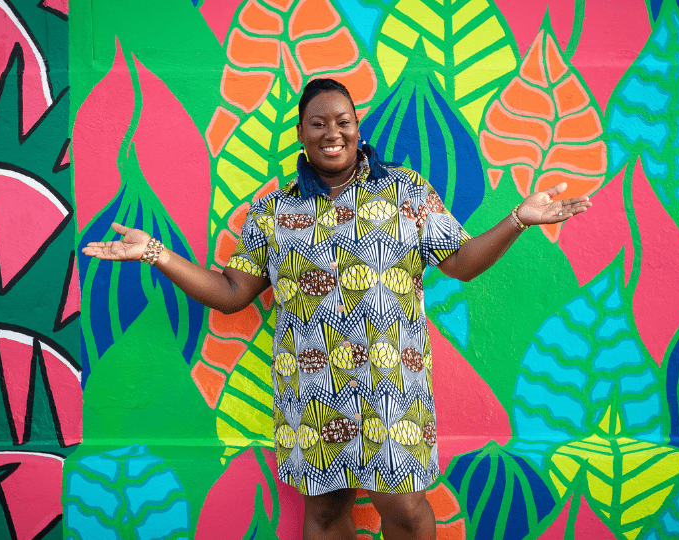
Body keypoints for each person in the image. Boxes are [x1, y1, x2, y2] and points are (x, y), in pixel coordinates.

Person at [83, 77, 591, 540]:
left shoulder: (404, 192)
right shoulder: (274, 211)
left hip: (392, 389)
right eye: (318, 123)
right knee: (325, 514)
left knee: (408, 511)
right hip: (313, 392)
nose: (332, 133)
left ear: (357, 128)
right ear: (301, 133)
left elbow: (459, 261)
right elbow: (233, 291)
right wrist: (156, 253)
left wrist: (518, 219)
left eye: (343, 122)